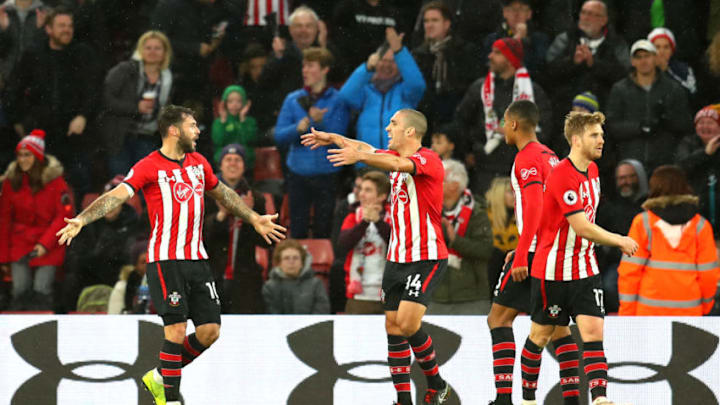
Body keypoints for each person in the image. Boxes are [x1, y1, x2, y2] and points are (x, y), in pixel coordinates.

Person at [56, 105, 286, 405]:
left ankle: (160, 375)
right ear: (174, 130)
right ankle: (171, 398)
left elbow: (223, 193)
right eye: (192, 126)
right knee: (176, 330)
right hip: (166, 260)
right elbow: (116, 196)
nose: (198, 131)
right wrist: (83, 219)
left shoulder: (198, 162)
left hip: (198, 260)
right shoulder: (148, 166)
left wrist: (254, 217)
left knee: (209, 331)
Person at [302, 108, 451, 404]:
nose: (387, 128)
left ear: (410, 132)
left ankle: (436, 382)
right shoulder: (394, 162)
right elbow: (367, 149)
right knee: (393, 328)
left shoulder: (427, 159)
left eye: (393, 124)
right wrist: (333, 138)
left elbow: (390, 161)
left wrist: (361, 157)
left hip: (426, 256)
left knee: (409, 324)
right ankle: (403, 399)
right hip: (396, 259)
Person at [519, 111, 639, 405]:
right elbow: (581, 226)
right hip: (553, 270)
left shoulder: (594, 171)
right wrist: (619, 239)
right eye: (594, 135)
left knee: (593, 331)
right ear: (576, 140)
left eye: (601, 134)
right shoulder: (560, 174)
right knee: (540, 335)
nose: (602, 139)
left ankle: (599, 398)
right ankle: (528, 399)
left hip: (585, 267)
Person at [486, 100, 579, 405]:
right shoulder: (552, 156)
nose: (502, 129)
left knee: (498, 319)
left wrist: (523, 252)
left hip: (537, 253)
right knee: (559, 328)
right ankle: (572, 399)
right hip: (555, 250)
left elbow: (535, 208)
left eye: (503, 123)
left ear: (513, 124)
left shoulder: (526, 159)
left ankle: (505, 398)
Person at [4, 6, 100, 201]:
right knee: (36, 186)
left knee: (79, 181)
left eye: (70, 26)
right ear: (48, 29)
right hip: (41, 131)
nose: (67, 30)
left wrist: (82, 116)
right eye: (61, 26)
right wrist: (19, 122)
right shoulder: (34, 54)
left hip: (73, 132)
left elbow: (93, 91)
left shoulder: (83, 54)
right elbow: (14, 90)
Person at [618, 165, 720, 316]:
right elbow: (709, 275)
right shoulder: (701, 226)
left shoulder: (643, 222)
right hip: (689, 310)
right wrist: (704, 306)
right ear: (685, 187)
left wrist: (627, 314)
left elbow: (629, 273)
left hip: (648, 311)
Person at [454, 37, 552, 194]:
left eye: (497, 53)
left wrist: (516, 132)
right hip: (484, 168)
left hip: (520, 169)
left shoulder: (533, 92)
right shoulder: (479, 88)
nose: (490, 56)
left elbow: (545, 130)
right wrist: (471, 150)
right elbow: (461, 121)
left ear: (511, 59)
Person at [275, 46, 350, 238]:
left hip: (327, 175)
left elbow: (340, 137)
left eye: (310, 66)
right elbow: (279, 137)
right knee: (297, 227)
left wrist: (318, 123)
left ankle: (321, 266)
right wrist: (298, 128)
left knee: (324, 228)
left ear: (325, 69)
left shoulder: (338, 100)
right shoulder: (293, 99)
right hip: (298, 174)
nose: (305, 71)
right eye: (304, 66)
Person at [0, 129, 72, 310]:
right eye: (20, 155)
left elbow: (63, 217)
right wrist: (3, 257)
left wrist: (45, 244)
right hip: (19, 244)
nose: (22, 159)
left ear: (38, 156)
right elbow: (4, 220)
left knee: (42, 289)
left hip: (50, 243)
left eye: (28, 155)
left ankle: (43, 333)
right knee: (19, 290)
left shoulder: (57, 182)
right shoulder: (11, 182)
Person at [606, 39, 693, 174]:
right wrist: (640, 127)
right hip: (631, 162)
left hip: (665, 160)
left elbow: (685, 124)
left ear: (655, 58)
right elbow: (612, 126)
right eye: (638, 57)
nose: (643, 61)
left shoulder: (673, 89)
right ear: (632, 61)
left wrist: (665, 120)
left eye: (647, 56)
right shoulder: (620, 89)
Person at [99, 30, 174, 177]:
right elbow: (106, 99)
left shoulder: (168, 78)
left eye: (157, 48)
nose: (152, 52)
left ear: (165, 53)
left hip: (148, 136)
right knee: (121, 183)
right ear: (140, 50)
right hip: (120, 136)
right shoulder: (124, 70)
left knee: (144, 181)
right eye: (148, 47)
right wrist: (135, 108)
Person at [339, 27, 426, 151]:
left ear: (400, 65)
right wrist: (367, 68)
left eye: (392, 62)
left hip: (398, 161)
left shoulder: (405, 92)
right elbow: (345, 95)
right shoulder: (366, 91)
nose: (386, 65)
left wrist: (399, 51)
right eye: (383, 61)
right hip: (367, 160)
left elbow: (417, 85)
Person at [62, 174, 140, 312]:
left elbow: (129, 254)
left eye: (114, 202)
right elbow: (77, 251)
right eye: (105, 201)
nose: (109, 206)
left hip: (116, 270)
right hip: (90, 270)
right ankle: (69, 319)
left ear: (122, 203)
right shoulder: (88, 222)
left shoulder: (131, 221)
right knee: (70, 279)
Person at [204, 144, 267, 314]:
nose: (233, 164)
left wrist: (250, 216)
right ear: (220, 165)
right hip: (211, 274)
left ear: (244, 166)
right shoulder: (205, 195)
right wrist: (220, 216)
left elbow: (266, 241)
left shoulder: (255, 198)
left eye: (238, 160)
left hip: (245, 278)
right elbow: (200, 238)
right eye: (228, 159)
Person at [430, 159, 494, 315]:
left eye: (439, 179)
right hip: (434, 295)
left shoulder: (477, 212)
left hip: (471, 297)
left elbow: (486, 250)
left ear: (454, 186)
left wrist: (456, 241)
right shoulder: (427, 210)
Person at [545, 0, 630, 116]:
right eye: (584, 13)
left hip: (603, 111)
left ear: (604, 20)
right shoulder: (565, 39)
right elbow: (548, 72)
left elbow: (624, 75)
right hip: (565, 110)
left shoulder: (616, 43)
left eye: (592, 14)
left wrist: (594, 64)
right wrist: (572, 62)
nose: (585, 17)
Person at [411, 1, 479, 127]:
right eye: (426, 21)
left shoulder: (464, 51)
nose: (429, 25)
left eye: (434, 20)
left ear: (447, 24)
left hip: (456, 120)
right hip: (425, 121)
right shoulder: (418, 55)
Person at [595, 159, 648, 312]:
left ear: (640, 177)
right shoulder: (610, 208)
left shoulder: (650, 206)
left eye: (630, 177)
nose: (626, 182)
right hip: (616, 263)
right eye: (621, 178)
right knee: (608, 286)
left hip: (647, 261)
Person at [338, 170, 391, 314]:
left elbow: (399, 245)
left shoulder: (395, 216)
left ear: (382, 196)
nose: (361, 194)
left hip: (389, 295)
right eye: (361, 189)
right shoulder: (352, 216)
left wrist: (378, 222)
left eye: (367, 190)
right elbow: (343, 244)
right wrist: (364, 222)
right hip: (359, 295)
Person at [676, 105, 720, 231]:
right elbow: (680, 168)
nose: (705, 127)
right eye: (701, 123)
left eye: (710, 123)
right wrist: (705, 154)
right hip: (696, 208)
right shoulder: (687, 143)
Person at [483, 0, 549, 77]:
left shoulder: (539, 39)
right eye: (512, 9)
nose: (516, 14)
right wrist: (514, 42)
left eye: (521, 9)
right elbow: (489, 67)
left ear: (529, 14)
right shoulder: (493, 38)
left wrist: (523, 42)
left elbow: (538, 69)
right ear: (504, 13)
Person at [262, 239, 330, 314]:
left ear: (302, 262)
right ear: (279, 263)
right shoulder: (269, 287)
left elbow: (322, 311)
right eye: (286, 258)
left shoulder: (316, 284)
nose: (291, 262)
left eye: (295, 258)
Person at [0, 0, 46, 88]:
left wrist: (41, 30)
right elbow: (2, 49)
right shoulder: (3, 10)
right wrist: (4, 30)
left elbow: (45, 48)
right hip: (6, 78)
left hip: (34, 78)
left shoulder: (44, 12)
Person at [484, 177, 518, 297]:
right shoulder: (484, 217)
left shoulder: (523, 216)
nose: (515, 196)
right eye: (510, 192)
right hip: (489, 278)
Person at [211, 85, 258, 169]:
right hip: (223, 164)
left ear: (244, 103)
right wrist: (223, 121)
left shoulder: (250, 121)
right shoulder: (218, 122)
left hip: (246, 164)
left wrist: (242, 120)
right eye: (230, 101)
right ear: (224, 103)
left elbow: (249, 140)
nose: (234, 105)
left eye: (239, 101)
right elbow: (218, 141)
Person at [648, 28, 696, 96]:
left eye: (666, 47)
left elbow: (690, 94)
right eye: (657, 47)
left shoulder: (683, 70)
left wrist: (667, 73)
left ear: (672, 50)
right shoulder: (641, 69)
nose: (662, 52)